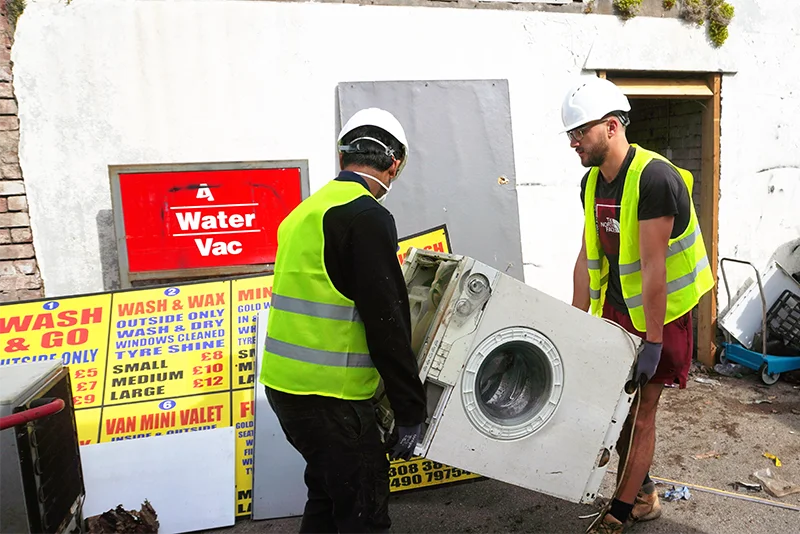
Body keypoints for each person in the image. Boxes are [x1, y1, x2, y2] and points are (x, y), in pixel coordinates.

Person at [259, 107, 427, 534]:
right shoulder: (366, 216)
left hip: (286, 391)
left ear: (341, 157)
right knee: (363, 513)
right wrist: (410, 409)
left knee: (328, 496)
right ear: (394, 165)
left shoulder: (303, 213)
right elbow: (387, 323)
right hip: (333, 401)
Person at [561, 77, 715, 533]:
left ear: (611, 126)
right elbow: (586, 255)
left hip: (662, 314)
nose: (573, 142)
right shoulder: (592, 182)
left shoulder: (655, 178)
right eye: (570, 133)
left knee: (642, 411)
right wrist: (573, 324)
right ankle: (644, 490)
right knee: (616, 409)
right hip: (619, 308)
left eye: (580, 131)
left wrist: (652, 342)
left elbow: (653, 268)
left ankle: (624, 510)